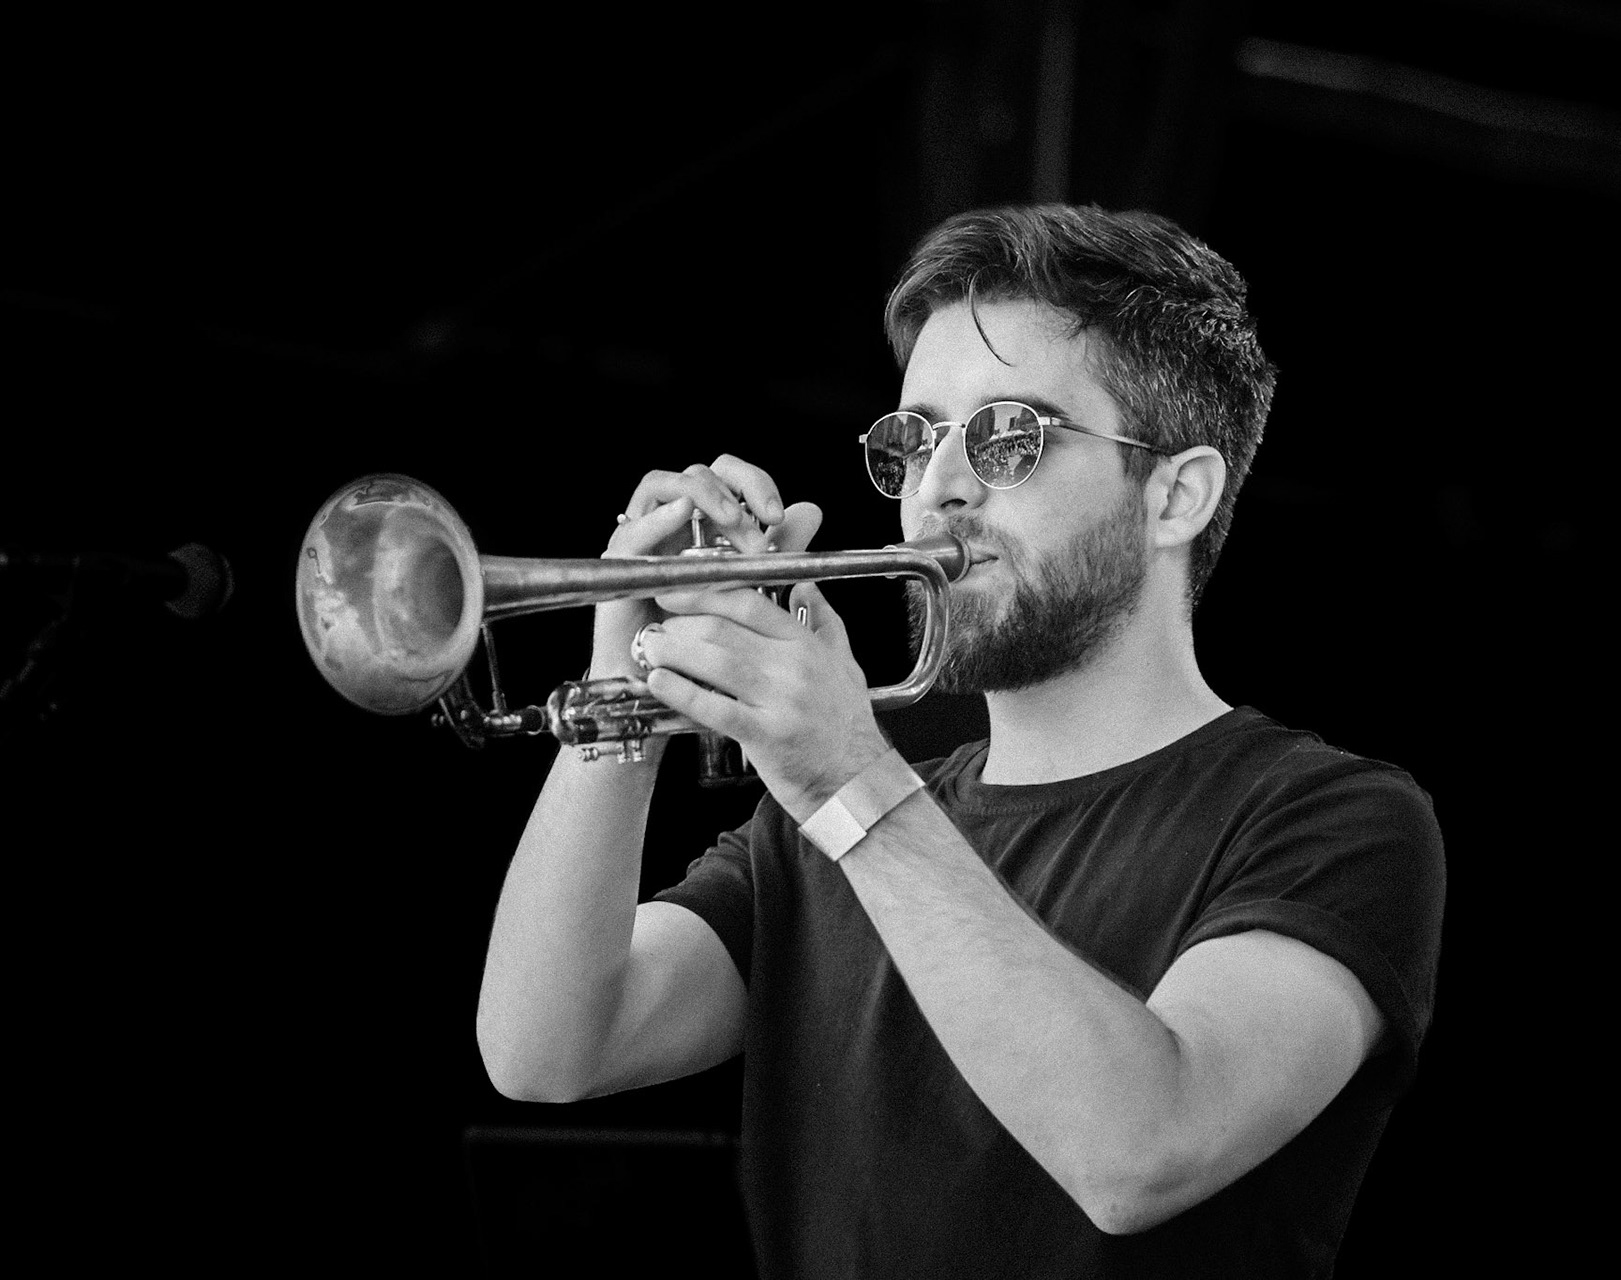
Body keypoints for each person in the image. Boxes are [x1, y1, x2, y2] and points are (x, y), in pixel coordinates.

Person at [476, 204, 1445, 1277]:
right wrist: (623, 688)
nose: (938, 486)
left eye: (1009, 437)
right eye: (915, 440)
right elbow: (545, 1049)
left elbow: (1140, 1151)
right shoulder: (821, 831)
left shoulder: (1334, 819)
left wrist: (848, 778)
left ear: (1177, 494)